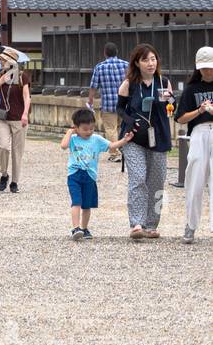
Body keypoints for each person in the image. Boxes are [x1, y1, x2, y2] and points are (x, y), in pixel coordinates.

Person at [116, 44, 173, 240]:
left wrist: (169, 102)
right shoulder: (129, 84)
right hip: (133, 138)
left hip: (158, 136)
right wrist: (129, 120)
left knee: (157, 181)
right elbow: (120, 109)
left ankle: (151, 224)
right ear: (137, 63)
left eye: (153, 59)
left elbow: (171, 110)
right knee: (138, 178)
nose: (150, 63)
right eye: (145, 60)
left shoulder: (163, 82)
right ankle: (137, 223)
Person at [61, 107, 134, 241]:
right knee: (76, 202)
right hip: (74, 175)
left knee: (87, 205)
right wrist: (70, 132)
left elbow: (112, 146)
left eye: (91, 128)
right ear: (76, 128)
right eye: (85, 129)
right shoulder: (73, 139)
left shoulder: (96, 139)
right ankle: (75, 228)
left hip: (90, 176)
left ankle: (84, 228)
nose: (89, 131)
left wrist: (124, 140)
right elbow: (63, 145)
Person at [176, 46, 213, 245]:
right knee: (194, 177)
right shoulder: (191, 89)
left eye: (210, 67)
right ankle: (190, 225)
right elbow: (181, 118)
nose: (208, 71)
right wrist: (200, 110)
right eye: (204, 68)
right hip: (198, 132)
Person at [0, 50, 30, 194]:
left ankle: (14, 182)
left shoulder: (22, 76)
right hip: (3, 117)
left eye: (3, 60)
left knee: (17, 152)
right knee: (3, 146)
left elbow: (27, 97)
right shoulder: (0, 75)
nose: (1, 63)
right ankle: (4, 174)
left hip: (19, 118)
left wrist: (25, 114)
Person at [88, 42, 129, 161]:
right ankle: (125, 151)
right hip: (125, 103)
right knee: (124, 127)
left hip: (108, 104)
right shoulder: (126, 65)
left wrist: (90, 99)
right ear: (116, 52)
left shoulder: (99, 67)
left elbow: (93, 86)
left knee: (111, 128)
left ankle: (115, 153)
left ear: (105, 53)